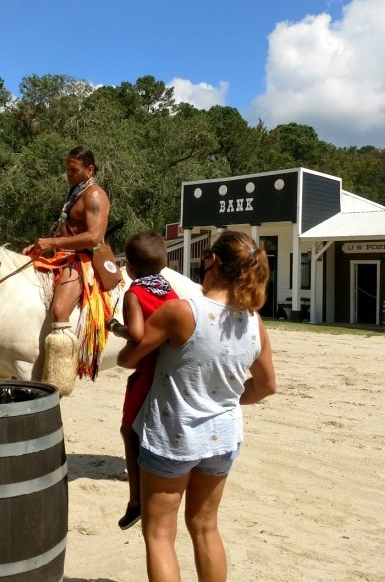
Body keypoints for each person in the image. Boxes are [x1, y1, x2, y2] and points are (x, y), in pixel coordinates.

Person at [117, 230, 276, 581]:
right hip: (223, 438)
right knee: (205, 527)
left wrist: (131, 337)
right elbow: (266, 386)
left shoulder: (181, 312)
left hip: (174, 437)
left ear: (214, 261)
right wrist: (227, 399)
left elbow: (129, 359)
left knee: (159, 534)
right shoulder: (254, 321)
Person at [23, 147, 112, 391]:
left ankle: (58, 379)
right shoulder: (76, 192)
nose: (68, 175)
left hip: (81, 261)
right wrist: (40, 246)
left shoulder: (94, 195)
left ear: (89, 169)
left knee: (60, 310)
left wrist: (51, 243)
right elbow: (65, 228)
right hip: (62, 257)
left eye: (73, 170)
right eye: (67, 170)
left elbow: (95, 237)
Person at [107, 231, 178, 531]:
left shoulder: (135, 292)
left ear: (130, 266)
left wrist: (116, 328)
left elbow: (137, 334)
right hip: (169, 368)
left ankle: (135, 500)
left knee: (128, 430)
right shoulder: (169, 290)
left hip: (147, 370)